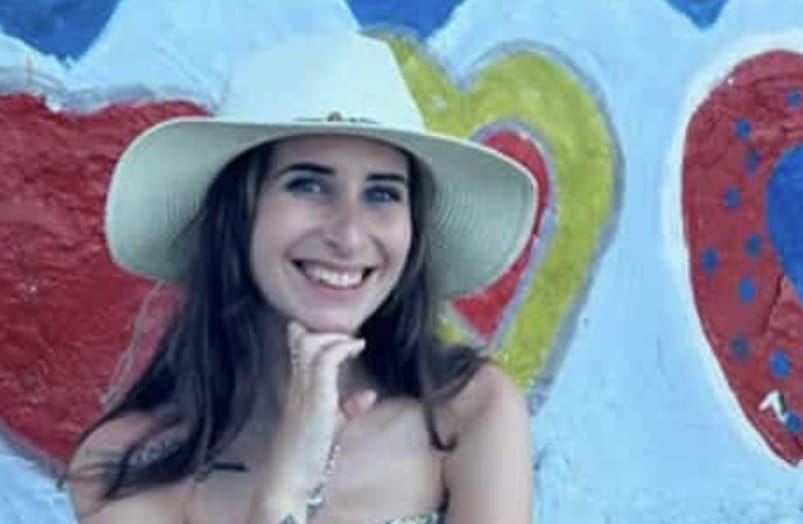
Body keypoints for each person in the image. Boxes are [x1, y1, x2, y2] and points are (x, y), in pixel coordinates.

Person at [65, 32, 536, 524]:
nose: (349, 236)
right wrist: (286, 489)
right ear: (238, 213)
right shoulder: (128, 463)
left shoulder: (469, 410)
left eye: (382, 194)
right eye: (308, 185)